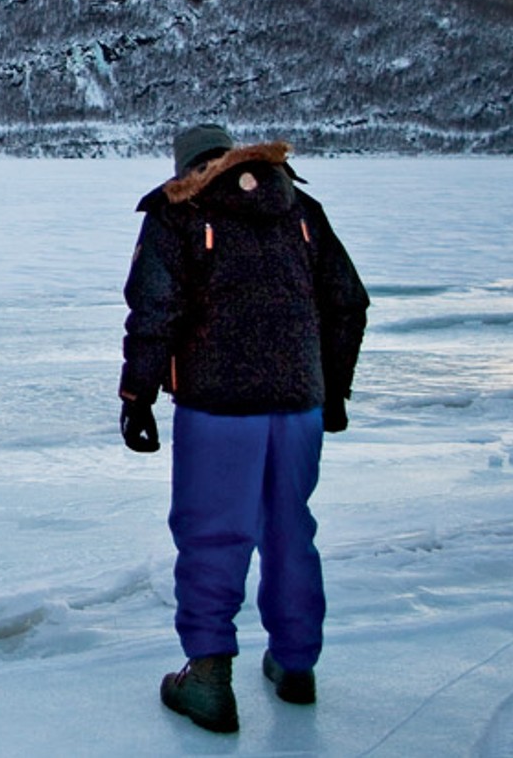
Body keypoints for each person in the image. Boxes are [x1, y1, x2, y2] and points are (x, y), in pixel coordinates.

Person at [117, 123, 368, 734]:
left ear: (186, 167)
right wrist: (331, 392)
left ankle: (207, 676)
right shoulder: (298, 207)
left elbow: (154, 309)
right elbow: (348, 303)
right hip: (298, 402)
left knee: (213, 534)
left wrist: (137, 396)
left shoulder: (179, 213)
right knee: (290, 527)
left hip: (218, 406)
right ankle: (295, 663)